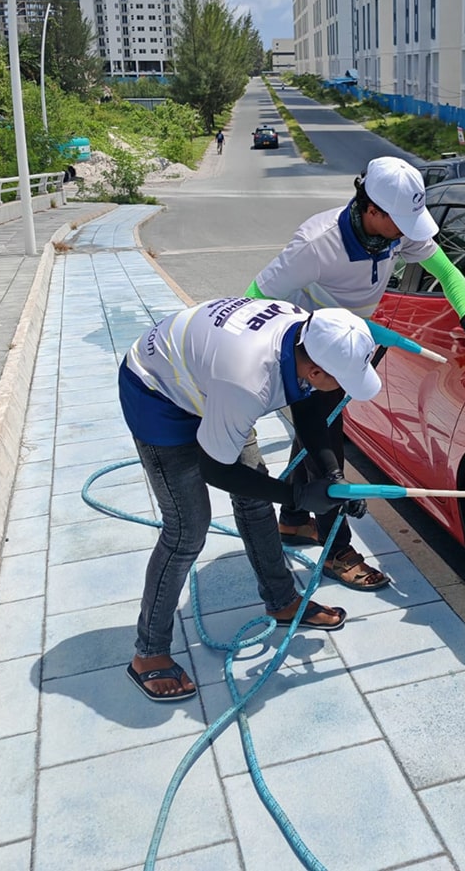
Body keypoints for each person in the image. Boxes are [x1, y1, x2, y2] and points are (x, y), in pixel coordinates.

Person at [244, 155, 465, 590]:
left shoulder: (395, 235)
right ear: (372, 209)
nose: (410, 230)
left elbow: (444, 270)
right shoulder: (317, 244)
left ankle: (294, 520)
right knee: (327, 450)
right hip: (311, 354)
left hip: (354, 343)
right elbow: (255, 298)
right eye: (402, 220)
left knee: (317, 432)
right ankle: (337, 550)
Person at [119, 298, 381, 701]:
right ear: (315, 369)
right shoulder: (247, 382)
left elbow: (309, 409)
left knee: (256, 499)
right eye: (343, 380)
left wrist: (331, 476)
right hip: (157, 391)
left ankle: (281, 600)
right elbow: (216, 470)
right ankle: (149, 653)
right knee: (188, 529)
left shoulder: (305, 333)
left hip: (210, 382)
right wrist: (296, 493)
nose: (345, 389)